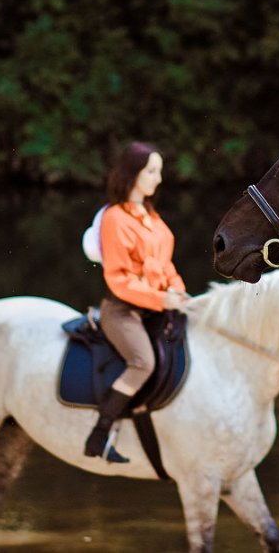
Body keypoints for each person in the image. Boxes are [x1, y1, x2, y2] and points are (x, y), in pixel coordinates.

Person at [84, 141, 189, 463]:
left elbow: (166, 264)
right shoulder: (116, 218)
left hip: (158, 304)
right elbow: (119, 279)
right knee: (143, 361)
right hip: (123, 310)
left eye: (159, 171)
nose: (159, 179)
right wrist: (162, 299)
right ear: (133, 174)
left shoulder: (151, 216)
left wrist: (179, 292)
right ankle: (99, 435)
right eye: (152, 172)